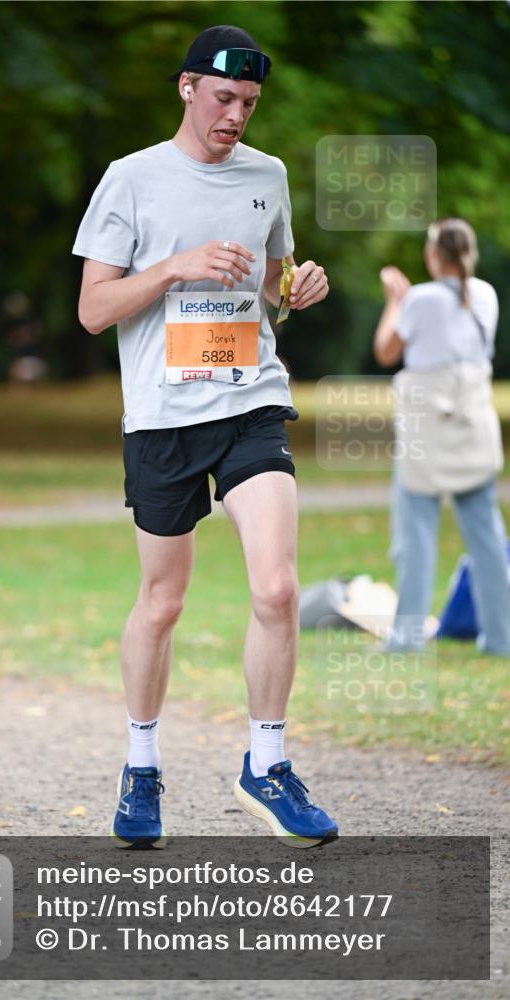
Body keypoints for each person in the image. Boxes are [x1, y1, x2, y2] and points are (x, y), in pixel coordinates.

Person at [72, 25, 338, 847]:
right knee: (163, 602)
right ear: (187, 88)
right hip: (162, 417)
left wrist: (298, 286)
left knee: (277, 589)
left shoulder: (269, 175)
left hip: (250, 402)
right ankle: (141, 766)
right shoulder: (131, 179)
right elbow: (92, 310)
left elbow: (273, 283)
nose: (236, 116)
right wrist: (172, 267)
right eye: (223, 98)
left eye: (249, 103)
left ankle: (267, 763)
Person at [374, 217, 510, 656]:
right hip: (472, 428)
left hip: (426, 434)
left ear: (434, 255)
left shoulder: (420, 299)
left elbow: (386, 351)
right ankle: (501, 637)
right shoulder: (486, 294)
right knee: (487, 538)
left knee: (414, 537)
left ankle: (407, 637)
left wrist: (395, 302)